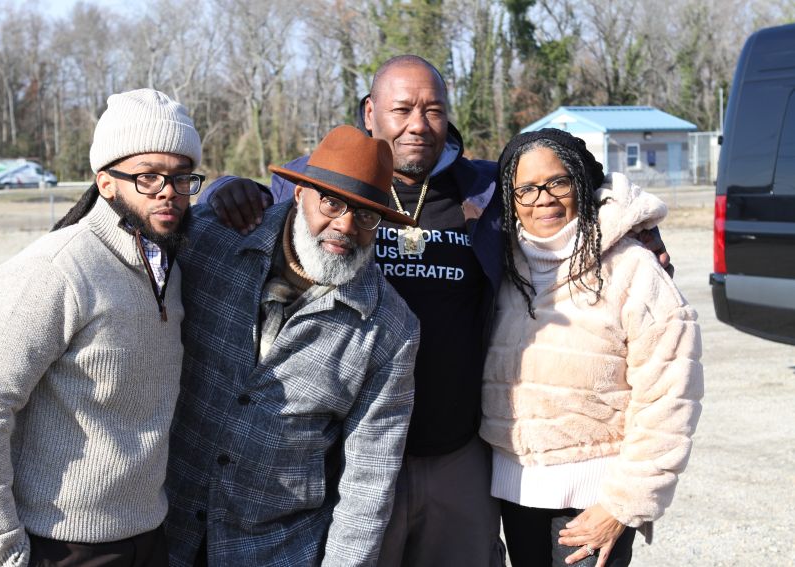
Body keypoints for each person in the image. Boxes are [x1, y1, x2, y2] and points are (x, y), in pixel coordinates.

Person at [204, 54, 674, 567]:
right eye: (401, 109)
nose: (417, 125)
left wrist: (635, 224)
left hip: (458, 451)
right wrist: (220, 189)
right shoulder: (326, 183)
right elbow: (257, 205)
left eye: (432, 110)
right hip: (349, 456)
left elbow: (570, 182)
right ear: (370, 111)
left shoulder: (488, 189)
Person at [0, 88, 204, 567]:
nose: (169, 190)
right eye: (148, 176)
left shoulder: (169, 265)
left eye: (181, 176)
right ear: (106, 183)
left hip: (148, 536)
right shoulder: (56, 269)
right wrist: (2, 547)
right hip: (55, 546)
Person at [164, 125, 421, 566]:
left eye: (366, 216)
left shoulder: (390, 329)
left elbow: (369, 479)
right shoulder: (210, 241)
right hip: (164, 527)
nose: (345, 226)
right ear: (300, 191)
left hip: (274, 548)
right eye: (332, 202)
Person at [480, 128, 704, 566]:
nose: (542, 198)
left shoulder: (631, 268)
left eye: (558, 181)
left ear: (582, 182)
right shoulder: (502, 266)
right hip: (515, 492)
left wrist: (624, 502)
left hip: (596, 500)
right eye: (525, 188)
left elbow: (669, 395)